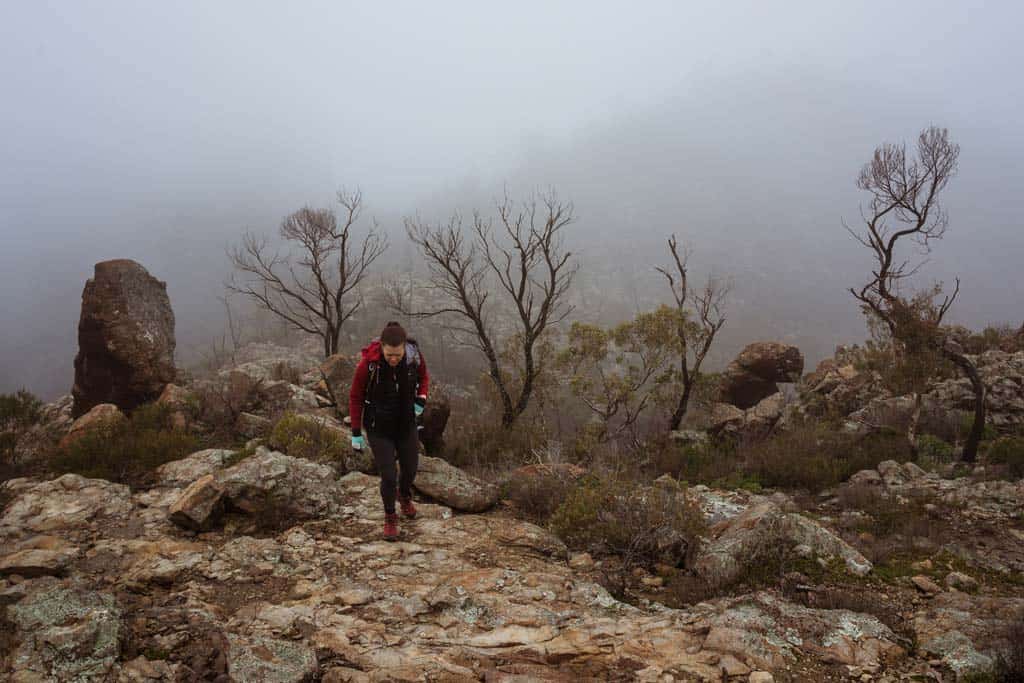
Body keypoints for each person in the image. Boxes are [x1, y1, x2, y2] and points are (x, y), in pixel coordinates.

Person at [348, 322, 429, 540]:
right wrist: (356, 432)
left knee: (411, 469)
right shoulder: (369, 364)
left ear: (404, 347)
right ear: (382, 347)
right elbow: (355, 397)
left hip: (406, 424)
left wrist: (421, 398)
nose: (393, 358)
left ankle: (404, 496)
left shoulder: (413, 357)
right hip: (379, 428)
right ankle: (390, 516)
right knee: (389, 476)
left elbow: (424, 378)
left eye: (397, 354)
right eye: (389, 354)